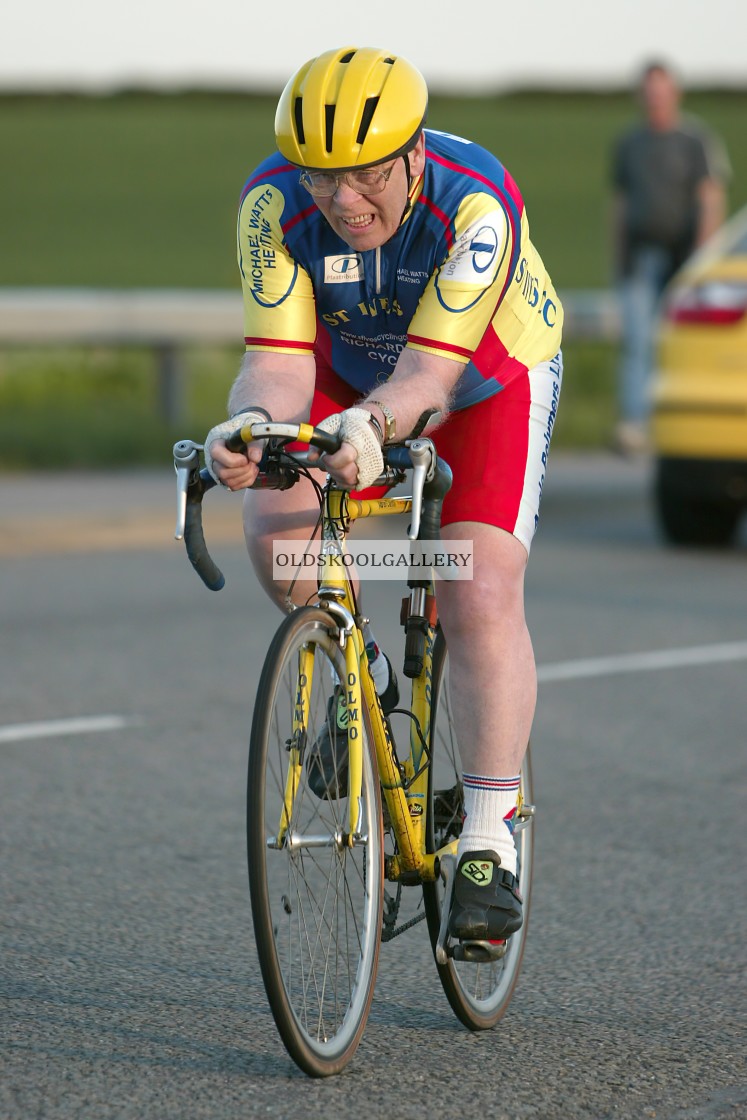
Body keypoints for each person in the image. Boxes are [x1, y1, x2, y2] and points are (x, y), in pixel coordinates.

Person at [204, 47, 563, 944]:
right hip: (352, 366)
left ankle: (488, 837)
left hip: (484, 375)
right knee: (279, 531)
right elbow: (278, 366)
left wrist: (371, 428)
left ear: (412, 155)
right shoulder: (271, 205)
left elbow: (427, 381)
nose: (344, 200)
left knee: (474, 584)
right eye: (323, 178)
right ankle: (349, 673)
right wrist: (245, 428)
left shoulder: (474, 203)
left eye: (367, 173)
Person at [610, 60, 730, 455]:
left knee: (686, 343)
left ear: (674, 93)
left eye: (661, 91)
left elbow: (710, 198)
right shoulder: (630, 143)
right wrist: (618, 257)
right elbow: (620, 205)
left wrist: (703, 260)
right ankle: (636, 425)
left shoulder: (695, 140)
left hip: (686, 261)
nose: (655, 99)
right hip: (643, 255)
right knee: (639, 342)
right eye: (649, 92)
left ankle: (689, 423)